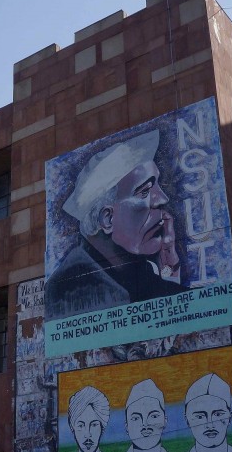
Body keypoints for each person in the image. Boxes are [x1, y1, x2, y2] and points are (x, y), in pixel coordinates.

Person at [46, 129, 182, 320]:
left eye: (158, 186)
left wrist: (170, 269)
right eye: (145, 192)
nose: (162, 199)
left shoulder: (134, 270)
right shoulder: (72, 288)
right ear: (107, 219)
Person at [114, 379, 176, 452]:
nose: (145, 424)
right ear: (126, 426)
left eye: (154, 416)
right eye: (136, 418)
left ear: (165, 421)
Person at [58, 386, 113, 452]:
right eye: (81, 425)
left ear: (102, 428)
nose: (87, 434)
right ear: (72, 428)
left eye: (94, 425)